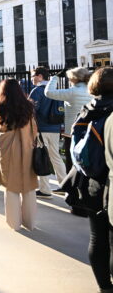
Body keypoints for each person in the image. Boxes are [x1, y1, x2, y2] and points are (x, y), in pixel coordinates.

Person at [0, 78, 38, 231]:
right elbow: (34, 128)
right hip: (27, 147)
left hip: (7, 148)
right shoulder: (28, 106)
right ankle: (30, 222)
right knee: (28, 186)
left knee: (11, 186)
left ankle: (14, 223)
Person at [81, 67, 113, 292]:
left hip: (93, 178)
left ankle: (104, 286)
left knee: (97, 237)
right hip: (110, 179)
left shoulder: (88, 109)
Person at [44, 67, 92, 178]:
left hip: (72, 130)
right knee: (86, 160)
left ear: (75, 79)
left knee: (72, 161)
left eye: (70, 78)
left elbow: (48, 92)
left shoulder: (73, 91)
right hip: (89, 130)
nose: (69, 80)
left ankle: (72, 189)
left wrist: (55, 77)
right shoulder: (91, 90)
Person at [29, 67, 66, 199]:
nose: (31, 78)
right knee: (56, 156)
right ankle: (64, 185)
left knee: (42, 157)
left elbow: (31, 111)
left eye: (33, 75)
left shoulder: (37, 91)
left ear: (39, 76)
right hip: (55, 127)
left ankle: (45, 189)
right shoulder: (55, 90)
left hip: (41, 129)